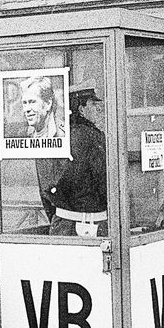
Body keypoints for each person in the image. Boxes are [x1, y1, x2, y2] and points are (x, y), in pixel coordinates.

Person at [46, 84, 107, 237]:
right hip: (90, 223)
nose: (98, 109)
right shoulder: (91, 137)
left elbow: (46, 186)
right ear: (81, 109)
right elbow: (104, 181)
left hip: (62, 222)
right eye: (93, 104)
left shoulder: (58, 137)